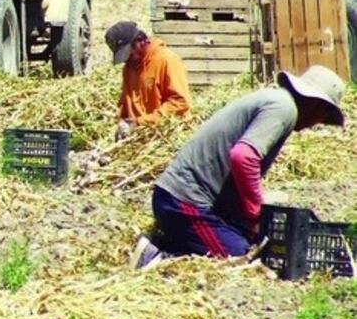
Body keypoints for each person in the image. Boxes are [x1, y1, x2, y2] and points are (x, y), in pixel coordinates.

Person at [132, 65, 345, 268]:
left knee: (245, 240)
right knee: (241, 257)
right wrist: (254, 212)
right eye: (324, 116)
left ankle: (169, 243)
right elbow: (244, 157)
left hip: (178, 198)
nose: (318, 123)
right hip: (184, 202)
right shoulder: (284, 108)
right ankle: (158, 257)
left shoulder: (274, 100)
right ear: (316, 104)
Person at [105, 21, 192, 139]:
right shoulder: (129, 68)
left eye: (128, 54)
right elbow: (125, 103)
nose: (126, 60)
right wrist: (122, 122)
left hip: (167, 135)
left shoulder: (167, 60)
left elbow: (181, 102)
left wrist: (143, 122)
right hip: (139, 136)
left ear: (139, 41)